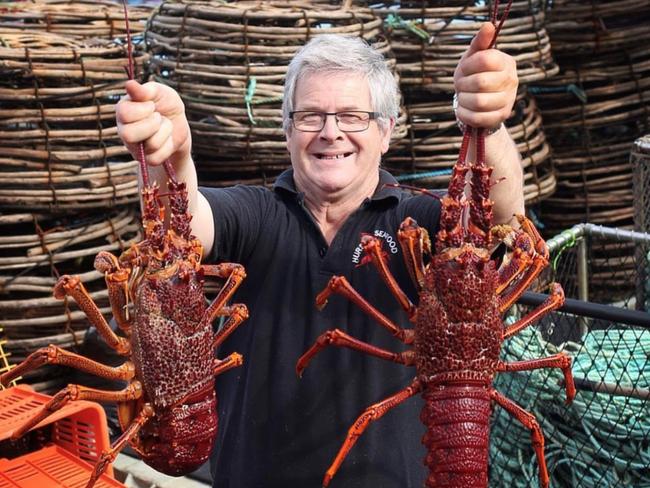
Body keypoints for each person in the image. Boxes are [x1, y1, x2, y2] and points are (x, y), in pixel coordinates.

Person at [116, 22, 522, 488]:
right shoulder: (258, 216)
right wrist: (173, 153)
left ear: (386, 131)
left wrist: (488, 124)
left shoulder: (420, 226)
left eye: (353, 117)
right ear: (287, 131)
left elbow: (500, 223)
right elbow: (184, 223)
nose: (331, 133)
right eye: (310, 116)